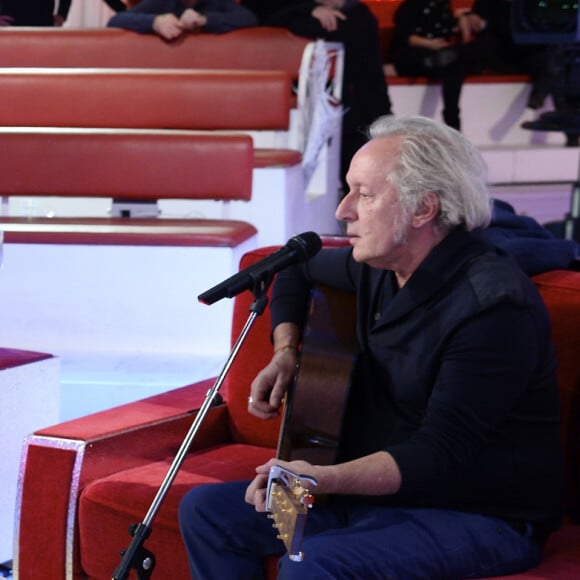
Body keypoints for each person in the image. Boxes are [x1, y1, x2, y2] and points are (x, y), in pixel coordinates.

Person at [178, 114, 565, 579]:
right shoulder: (380, 264)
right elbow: (297, 267)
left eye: (364, 194)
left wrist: (321, 478)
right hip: (372, 497)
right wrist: (286, 352)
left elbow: (438, 453)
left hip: (474, 514)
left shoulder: (493, 306)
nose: (343, 210)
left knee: (312, 564)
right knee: (207, 513)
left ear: (423, 209)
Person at [241, 0, 393, 194]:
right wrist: (309, 9)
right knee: (343, 27)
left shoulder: (357, 16)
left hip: (346, 95)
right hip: (282, 41)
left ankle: (380, 133)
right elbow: (253, 12)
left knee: (356, 22)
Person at [392, 0, 491, 130]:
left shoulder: (444, 6)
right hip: (417, 53)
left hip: (443, 55)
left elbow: (453, 32)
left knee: (456, 67)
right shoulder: (412, 5)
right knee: (452, 63)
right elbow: (404, 36)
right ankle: (449, 57)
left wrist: (462, 21)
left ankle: (452, 119)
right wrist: (430, 44)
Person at [107, 0, 257, 40]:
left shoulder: (216, 2)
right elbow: (115, 21)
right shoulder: (161, 2)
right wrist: (155, 22)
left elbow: (249, 18)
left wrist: (204, 20)